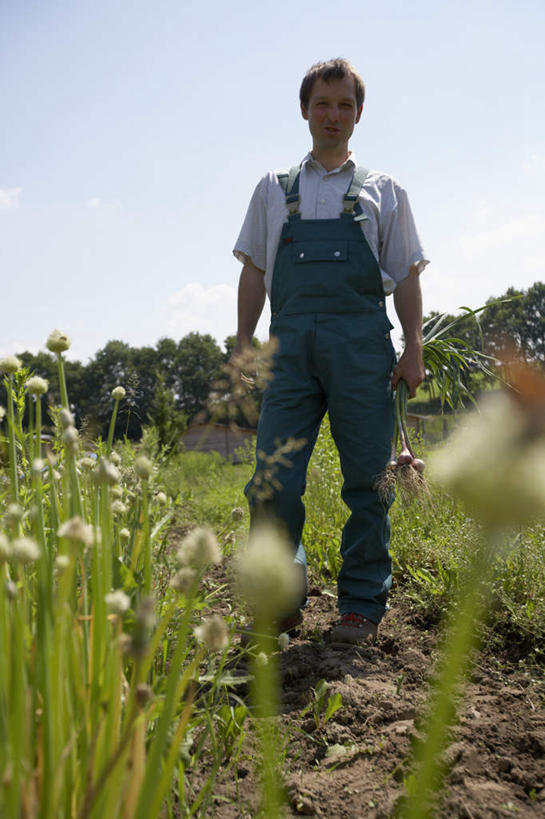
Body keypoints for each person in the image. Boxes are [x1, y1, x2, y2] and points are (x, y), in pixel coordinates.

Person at [231, 58, 428, 645]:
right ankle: (280, 598)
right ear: (304, 110)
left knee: (369, 481)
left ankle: (361, 605)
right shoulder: (273, 189)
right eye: (323, 103)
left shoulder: (384, 191)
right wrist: (244, 341)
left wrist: (412, 344)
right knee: (272, 479)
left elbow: (408, 274)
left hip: (362, 350)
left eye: (345, 105)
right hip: (289, 352)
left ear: (359, 114)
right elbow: (254, 270)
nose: (333, 115)